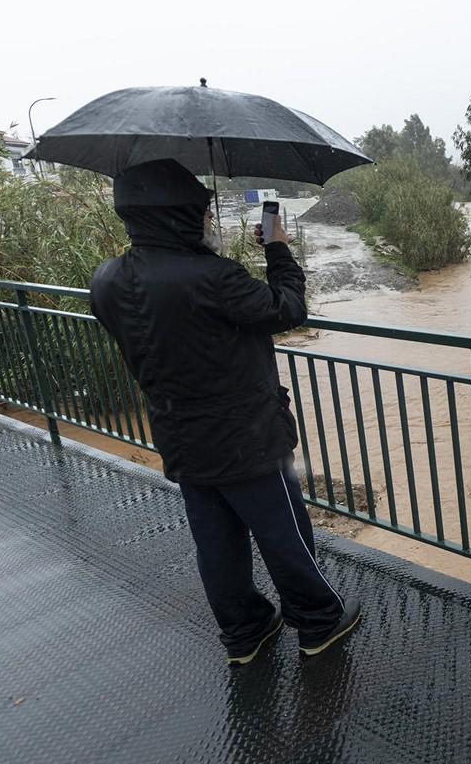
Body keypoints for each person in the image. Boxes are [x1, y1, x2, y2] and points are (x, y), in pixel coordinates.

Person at [90, 158, 360, 665]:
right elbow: (287, 308)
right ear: (179, 217)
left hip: (179, 433)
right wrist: (277, 247)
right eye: (202, 213)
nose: (209, 223)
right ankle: (319, 622)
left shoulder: (107, 279)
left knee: (216, 541)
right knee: (283, 533)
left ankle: (245, 632)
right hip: (246, 438)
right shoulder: (211, 276)